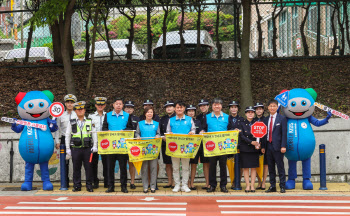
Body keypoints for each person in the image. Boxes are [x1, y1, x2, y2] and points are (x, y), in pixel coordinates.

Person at [102, 97, 133, 193]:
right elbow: (103, 128)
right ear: (113, 105)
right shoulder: (107, 115)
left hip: (122, 146)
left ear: (123, 105)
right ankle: (111, 186)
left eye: (120, 104)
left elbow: (130, 128)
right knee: (110, 167)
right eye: (117, 104)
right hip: (111, 146)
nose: (118, 105)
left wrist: (124, 131)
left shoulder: (127, 115)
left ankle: (124, 186)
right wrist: (107, 131)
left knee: (123, 167)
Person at [65, 101, 97, 192]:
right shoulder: (71, 122)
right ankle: (77, 185)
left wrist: (95, 145)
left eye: (81, 109)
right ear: (75, 111)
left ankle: (89, 185)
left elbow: (94, 134)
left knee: (89, 168)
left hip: (87, 149)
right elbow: (68, 135)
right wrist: (68, 148)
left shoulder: (90, 121)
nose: (80, 111)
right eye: (78, 110)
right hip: (76, 149)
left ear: (84, 110)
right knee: (76, 168)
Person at [165, 101, 196, 193]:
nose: (179, 109)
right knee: (175, 167)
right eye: (177, 107)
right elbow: (167, 132)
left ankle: (185, 185)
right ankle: (177, 184)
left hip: (186, 148)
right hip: (174, 148)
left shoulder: (189, 119)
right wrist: (169, 134)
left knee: (186, 167)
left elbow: (193, 130)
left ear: (184, 109)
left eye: (181, 108)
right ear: (175, 109)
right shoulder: (171, 120)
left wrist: (192, 133)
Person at [201, 98, 229, 193]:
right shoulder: (207, 117)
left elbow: (230, 130)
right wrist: (202, 131)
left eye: (219, 104)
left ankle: (223, 185)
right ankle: (212, 185)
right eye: (215, 104)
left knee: (223, 166)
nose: (217, 106)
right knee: (212, 166)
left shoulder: (226, 117)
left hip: (223, 147)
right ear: (212, 106)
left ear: (221, 106)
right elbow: (203, 128)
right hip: (211, 146)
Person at [262, 99, 287, 193]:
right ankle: (272, 186)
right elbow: (264, 135)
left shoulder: (282, 119)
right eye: (270, 106)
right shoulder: (265, 119)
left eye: (274, 106)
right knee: (271, 167)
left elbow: (284, 134)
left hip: (278, 147)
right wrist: (263, 147)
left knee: (280, 167)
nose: (272, 108)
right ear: (268, 108)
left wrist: (283, 146)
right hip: (268, 146)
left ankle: (282, 186)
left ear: (277, 107)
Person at [135, 107, 161, 193]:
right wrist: (137, 137)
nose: (150, 114)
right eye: (148, 112)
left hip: (153, 149)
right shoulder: (140, 123)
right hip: (143, 149)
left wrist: (158, 136)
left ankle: (153, 186)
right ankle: (145, 186)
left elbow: (158, 133)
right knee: (144, 168)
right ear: (145, 114)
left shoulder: (156, 124)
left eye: (151, 112)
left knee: (153, 168)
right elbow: (137, 133)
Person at [55, 94, 77, 188]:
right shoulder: (61, 115)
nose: (69, 104)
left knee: (76, 161)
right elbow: (57, 128)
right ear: (65, 103)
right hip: (64, 139)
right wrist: (57, 141)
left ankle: (76, 182)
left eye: (71, 102)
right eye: (68, 102)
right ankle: (65, 182)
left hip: (76, 138)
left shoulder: (77, 114)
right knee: (65, 162)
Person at [238, 106, 260, 193]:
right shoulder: (242, 123)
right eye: (248, 112)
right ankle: (247, 185)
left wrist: (258, 143)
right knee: (246, 168)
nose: (250, 114)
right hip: (245, 148)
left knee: (254, 168)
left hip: (254, 148)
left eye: (252, 112)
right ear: (246, 114)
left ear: (254, 114)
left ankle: (252, 185)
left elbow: (261, 134)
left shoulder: (258, 123)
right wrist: (251, 142)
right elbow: (241, 136)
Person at [88, 97, 107, 189]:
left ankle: (107, 181)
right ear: (95, 105)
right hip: (94, 143)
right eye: (98, 104)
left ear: (105, 105)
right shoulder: (91, 116)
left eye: (102, 104)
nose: (100, 106)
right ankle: (94, 181)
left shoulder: (108, 115)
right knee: (93, 164)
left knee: (106, 163)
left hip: (106, 143)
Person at [160, 100, 176, 188]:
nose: (169, 108)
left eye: (170, 106)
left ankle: (175, 181)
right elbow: (160, 131)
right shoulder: (162, 119)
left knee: (175, 163)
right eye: (167, 107)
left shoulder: (177, 117)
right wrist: (163, 137)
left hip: (175, 144)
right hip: (165, 143)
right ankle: (169, 181)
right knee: (168, 163)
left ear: (174, 108)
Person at [186, 104, 203, 190]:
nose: (191, 113)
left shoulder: (198, 122)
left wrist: (201, 132)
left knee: (193, 165)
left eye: (192, 111)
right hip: (185, 147)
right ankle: (186, 182)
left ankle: (192, 183)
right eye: (189, 111)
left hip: (195, 147)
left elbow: (200, 131)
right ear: (186, 112)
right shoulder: (184, 121)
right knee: (186, 166)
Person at [124, 100, 140, 190]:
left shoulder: (137, 119)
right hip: (122, 144)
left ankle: (132, 182)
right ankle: (124, 181)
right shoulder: (122, 118)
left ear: (133, 109)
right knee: (123, 164)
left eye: (131, 108)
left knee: (131, 164)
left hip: (134, 144)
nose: (129, 109)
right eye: (127, 108)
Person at [196, 99, 210, 189]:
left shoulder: (211, 116)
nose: (203, 107)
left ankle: (208, 182)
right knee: (202, 162)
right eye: (201, 106)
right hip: (198, 143)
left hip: (208, 143)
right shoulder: (198, 117)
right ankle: (206, 182)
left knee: (207, 163)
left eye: (205, 105)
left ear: (208, 106)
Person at [254, 102, 268, 190]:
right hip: (255, 145)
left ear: (263, 110)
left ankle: (263, 182)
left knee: (265, 164)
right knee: (257, 164)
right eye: (257, 109)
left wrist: (263, 145)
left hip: (265, 145)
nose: (259, 111)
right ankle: (259, 182)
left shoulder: (266, 119)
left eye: (260, 109)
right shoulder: (253, 120)